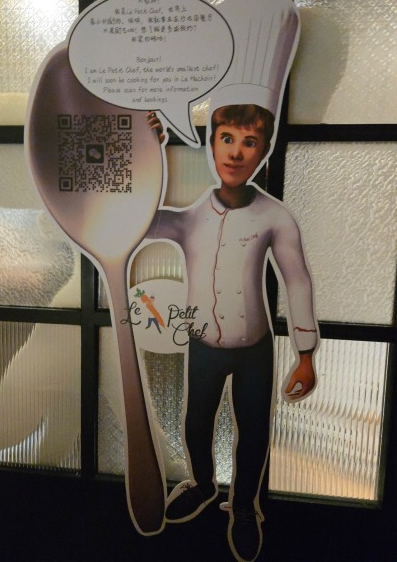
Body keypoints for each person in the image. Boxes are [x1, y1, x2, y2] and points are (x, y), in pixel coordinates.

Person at [146, 104, 318, 562]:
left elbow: (297, 281)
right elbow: (142, 221)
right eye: (227, 139)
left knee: (255, 431)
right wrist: (148, 151)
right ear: (212, 143)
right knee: (195, 423)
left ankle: (244, 507)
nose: (236, 152)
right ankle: (203, 484)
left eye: (249, 142)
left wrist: (305, 354)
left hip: (254, 350)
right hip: (203, 344)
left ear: (263, 151)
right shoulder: (190, 218)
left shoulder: (275, 217)